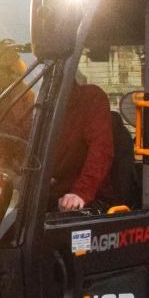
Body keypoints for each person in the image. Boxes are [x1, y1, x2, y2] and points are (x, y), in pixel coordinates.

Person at [48, 80, 114, 212]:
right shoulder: (37, 103)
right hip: (38, 194)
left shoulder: (90, 99)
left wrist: (80, 193)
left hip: (79, 196)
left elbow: (101, 148)